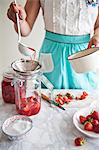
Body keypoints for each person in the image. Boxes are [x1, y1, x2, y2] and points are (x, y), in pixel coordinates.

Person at [7, 0, 99, 89]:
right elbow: (25, 29)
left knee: (86, 100)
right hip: (52, 53)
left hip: (84, 56)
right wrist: (19, 20)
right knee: (49, 99)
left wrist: (97, 36)